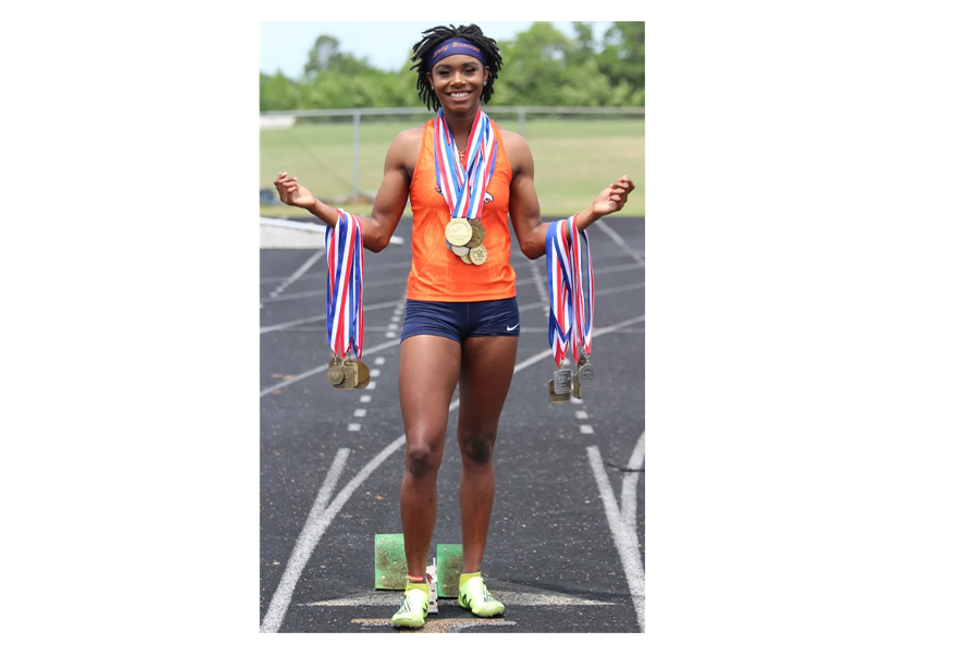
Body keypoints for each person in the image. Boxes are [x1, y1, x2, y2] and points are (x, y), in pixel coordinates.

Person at [274, 23, 635, 629]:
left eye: (468, 69)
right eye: (444, 72)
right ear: (431, 80)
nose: (457, 80)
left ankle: (471, 578)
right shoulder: (408, 146)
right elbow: (377, 234)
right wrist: (314, 204)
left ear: (485, 75)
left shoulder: (513, 149)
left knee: (479, 446)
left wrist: (590, 214)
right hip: (431, 308)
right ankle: (416, 585)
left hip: (496, 310)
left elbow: (531, 240)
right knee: (421, 449)